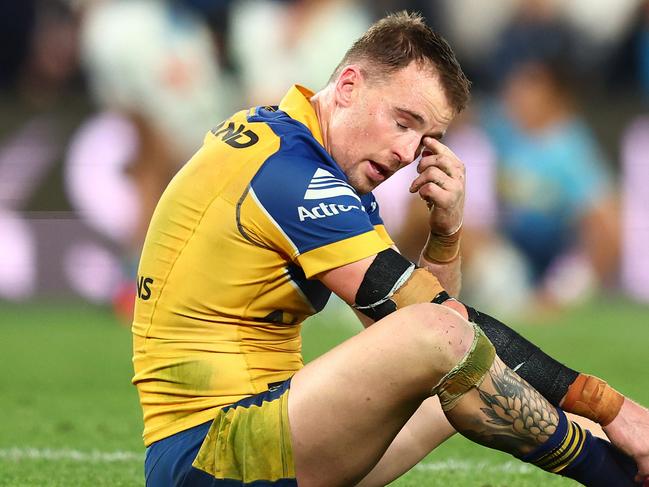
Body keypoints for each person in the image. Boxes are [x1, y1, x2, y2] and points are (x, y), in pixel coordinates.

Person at [132, 12, 649, 487]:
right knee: (443, 336)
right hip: (212, 453)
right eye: (403, 122)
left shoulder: (309, 157)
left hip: (252, 435)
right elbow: (436, 326)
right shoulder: (290, 174)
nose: (407, 153)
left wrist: (444, 236)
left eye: (426, 138)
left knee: (455, 373)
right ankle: (618, 475)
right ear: (350, 86)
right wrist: (611, 407)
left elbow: (430, 347)